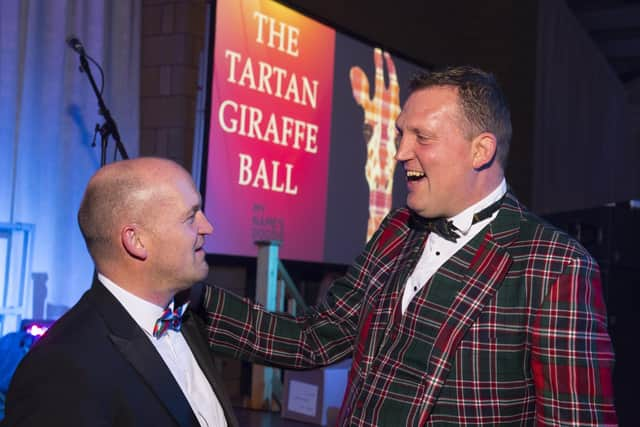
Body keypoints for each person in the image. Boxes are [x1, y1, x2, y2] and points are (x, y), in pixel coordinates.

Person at [200, 66, 618, 426]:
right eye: (401, 134)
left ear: (481, 150)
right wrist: (186, 300)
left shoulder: (555, 264)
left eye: (422, 136)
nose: (400, 152)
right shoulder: (398, 229)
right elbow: (314, 338)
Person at [3, 158, 238, 427]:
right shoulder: (61, 368)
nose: (208, 227)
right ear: (136, 241)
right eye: (190, 217)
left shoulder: (190, 320)